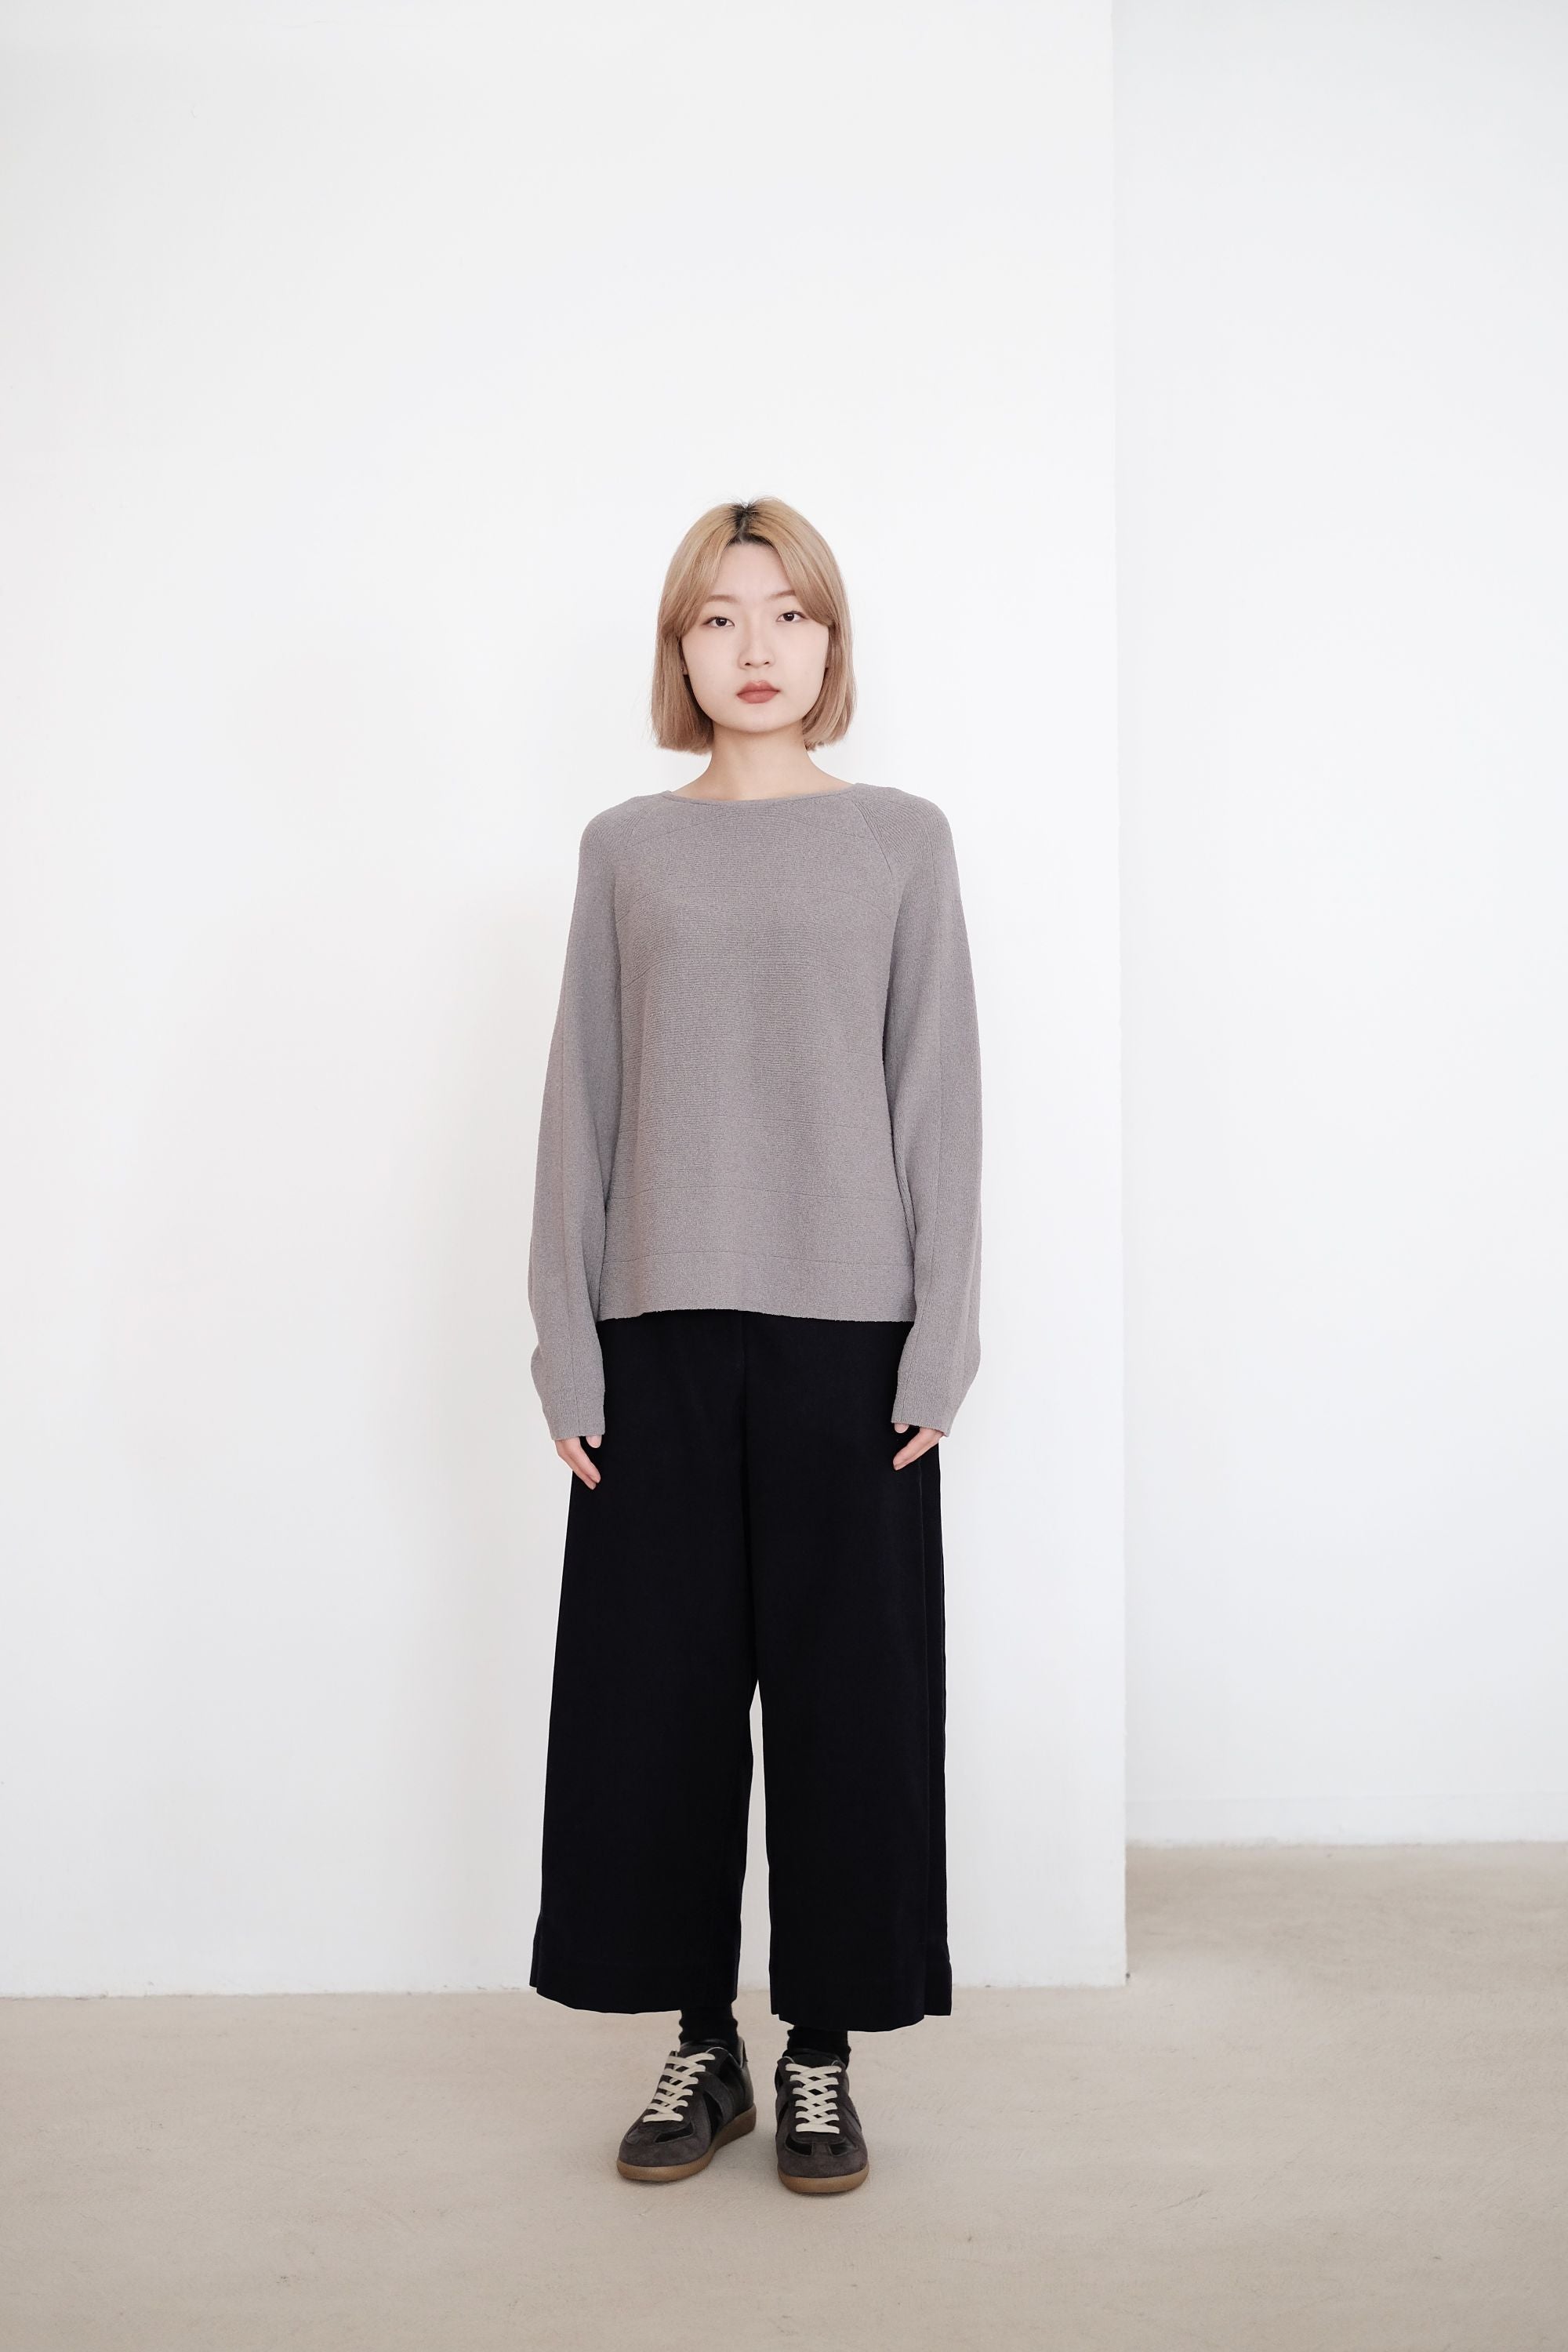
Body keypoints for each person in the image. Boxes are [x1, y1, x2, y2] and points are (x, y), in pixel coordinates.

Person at [524, 495, 982, 2194]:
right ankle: (698, 2046)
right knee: (655, 1710)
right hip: (654, 1333)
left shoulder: (900, 841)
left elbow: (939, 1097)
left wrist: (943, 1343)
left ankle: (822, 2053)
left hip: (851, 1343)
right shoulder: (627, 849)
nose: (755, 648)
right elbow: (581, 1102)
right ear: (679, 651)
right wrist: (563, 1344)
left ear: (832, 640)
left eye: (787, 613)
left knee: (852, 1710)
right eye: (717, 619)